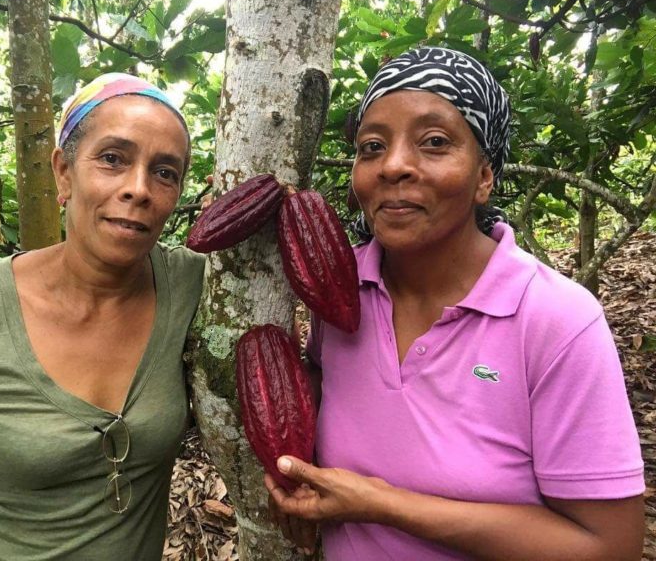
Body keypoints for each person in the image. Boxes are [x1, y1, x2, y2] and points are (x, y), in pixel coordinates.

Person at [265, 47, 645, 560]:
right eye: (372, 147)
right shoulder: (337, 290)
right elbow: (333, 393)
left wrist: (381, 504)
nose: (394, 166)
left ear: (484, 176)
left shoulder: (557, 321)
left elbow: (610, 547)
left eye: (435, 142)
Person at [0, 73, 205, 560]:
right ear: (63, 172)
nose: (138, 189)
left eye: (165, 172)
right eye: (113, 159)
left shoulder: (194, 286)